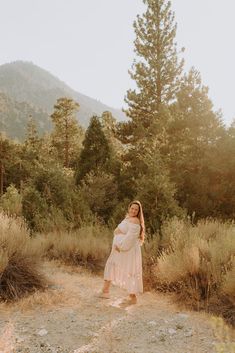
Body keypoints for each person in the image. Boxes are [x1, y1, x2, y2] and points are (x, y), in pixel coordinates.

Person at [99, 200, 145, 304]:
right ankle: (105, 290)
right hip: (118, 248)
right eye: (132, 208)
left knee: (129, 270)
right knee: (112, 265)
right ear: (129, 208)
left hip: (125, 249)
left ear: (138, 212)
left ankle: (133, 297)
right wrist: (118, 235)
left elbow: (130, 238)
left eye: (136, 209)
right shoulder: (128, 218)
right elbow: (119, 230)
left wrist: (120, 246)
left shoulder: (135, 221)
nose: (133, 210)